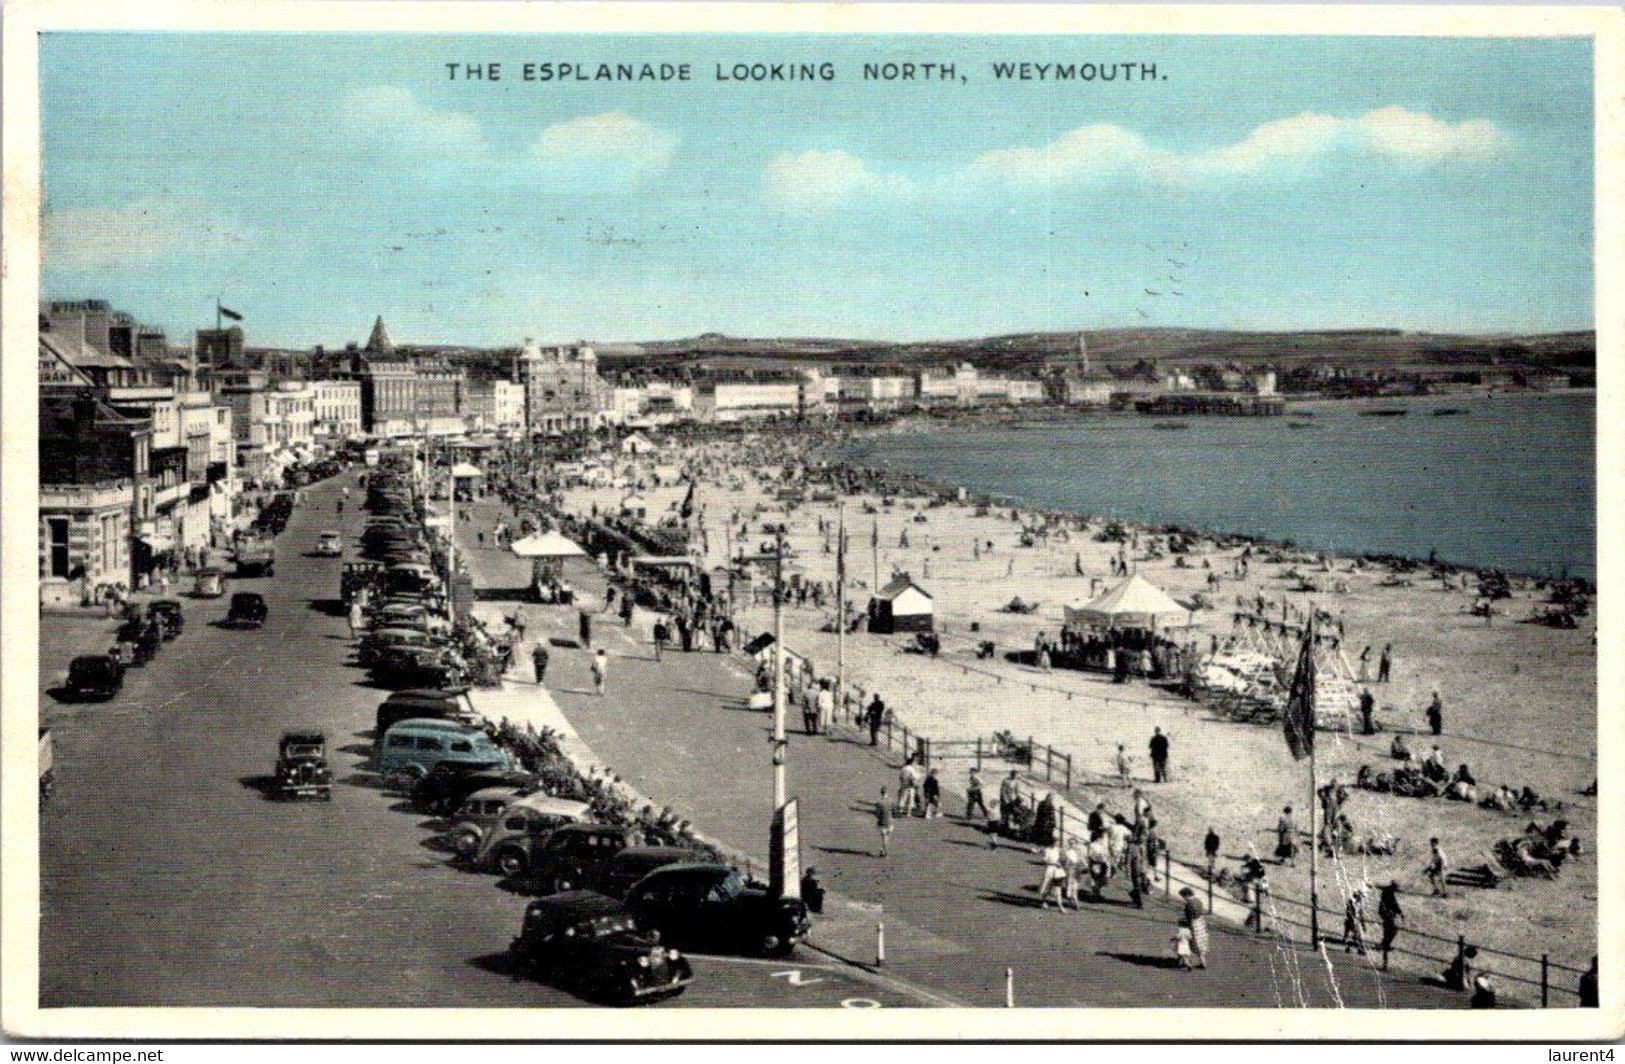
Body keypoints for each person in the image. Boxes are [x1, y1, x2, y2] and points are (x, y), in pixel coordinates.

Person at [1039, 834, 1071, 912]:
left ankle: (1060, 907)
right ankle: (1043, 901)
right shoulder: (1047, 850)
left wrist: (1063, 862)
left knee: (1058, 889)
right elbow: (1045, 860)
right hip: (1050, 870)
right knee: (1048, 888)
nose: (1057, 843)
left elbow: (1064, 858)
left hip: (1058, 871)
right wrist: (1054, 863)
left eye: (1057, 842)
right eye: (1055, 842)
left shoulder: (1058, 850)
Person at [1178, 887, 1209, 969]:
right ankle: (1203, 962)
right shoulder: (1198, 901)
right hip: (1201, 924)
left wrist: (1187, 928)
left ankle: (1187, 962)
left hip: (1193, 925)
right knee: (1200, 945)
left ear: (1186, 895)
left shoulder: (1188, 905)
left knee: (1184, 942)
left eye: (1183, 896)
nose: (1183, 898)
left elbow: (1189, 920)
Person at [1377, 880, 1404, 961]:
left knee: (1388, 931)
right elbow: (1393, 904)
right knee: (1393, 930)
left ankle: (1384, 944)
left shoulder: (1387, 890)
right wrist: (1400, 912)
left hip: (1385, 913)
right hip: (1387, 914)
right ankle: (1384, 944)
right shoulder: (1389, 893)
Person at [1343, 887, 1368, 954]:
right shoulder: (1351, 901)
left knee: (1357, 936)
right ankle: (1358, 949)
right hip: (1350, 921)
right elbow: (1349, 913)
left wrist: (1363, 924)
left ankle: (1353, 948)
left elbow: (1361, 914)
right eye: (1361, 896)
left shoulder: (1359, 903)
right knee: (1356, 936)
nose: (1362, 898)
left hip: (1355, 921)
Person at [875, 789, 894, 857]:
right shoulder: (891, 800)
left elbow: (877, 814)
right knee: (887, 836)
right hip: (890, 822)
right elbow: (894, 811)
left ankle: (886, 852)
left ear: (881, 793)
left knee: (883, 838)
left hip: (882, 822)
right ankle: (882, 850)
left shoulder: (879, 802)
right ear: (887, 793)